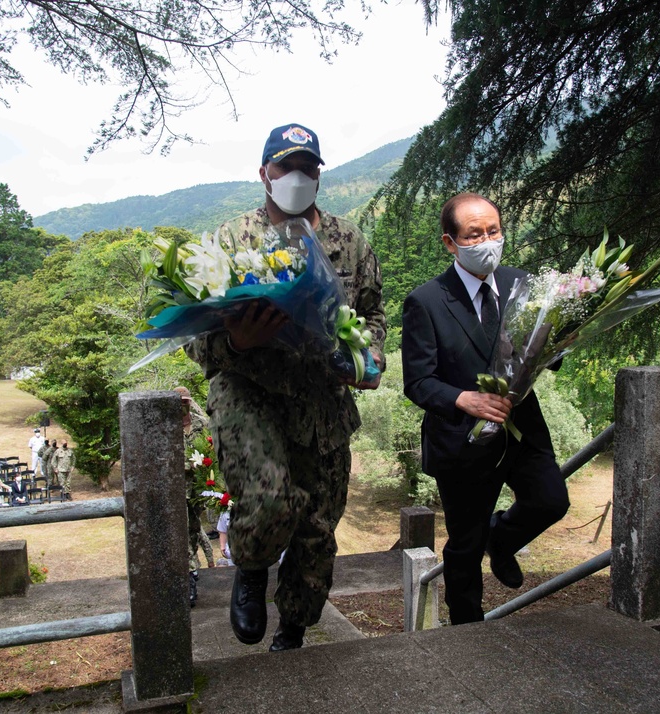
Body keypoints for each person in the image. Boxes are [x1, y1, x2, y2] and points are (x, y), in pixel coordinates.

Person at [185, 123, 386, 652]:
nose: (297, 177)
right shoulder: (232, 241)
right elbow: (193, 337)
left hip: (323, 403)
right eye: (285, 167)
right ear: (264, 174)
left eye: (307, 168)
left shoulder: (349, 241)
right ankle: (250, 567)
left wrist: (367, 360)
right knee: (270, 499)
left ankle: (293, 629)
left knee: (318, 530)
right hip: (250, 393)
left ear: (319, 175)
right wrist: (238, 343)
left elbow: (373, 316)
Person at [401, 192, 570, 625]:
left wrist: (556, 344)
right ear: (450, 242)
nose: (487, 241)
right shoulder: (427, 301)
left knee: (550, 500)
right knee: (464, 545)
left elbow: (546, 351)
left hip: (522, 426)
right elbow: (418, 382)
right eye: (474, 234)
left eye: (493, 231)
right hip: (461, 440)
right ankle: (467, 634)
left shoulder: (524, 283)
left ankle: (504, 537)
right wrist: (463, 399)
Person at [176, 386, 213, 607]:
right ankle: (189, 575)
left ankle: (192, 567)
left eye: (186, 401)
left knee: (193, 529)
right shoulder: (167, 427)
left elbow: (211, 450)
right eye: (179, 402)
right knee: (181, 530)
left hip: (197, 489)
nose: (183, 405)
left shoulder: (201, 424)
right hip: (177, 489)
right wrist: (186, 465)